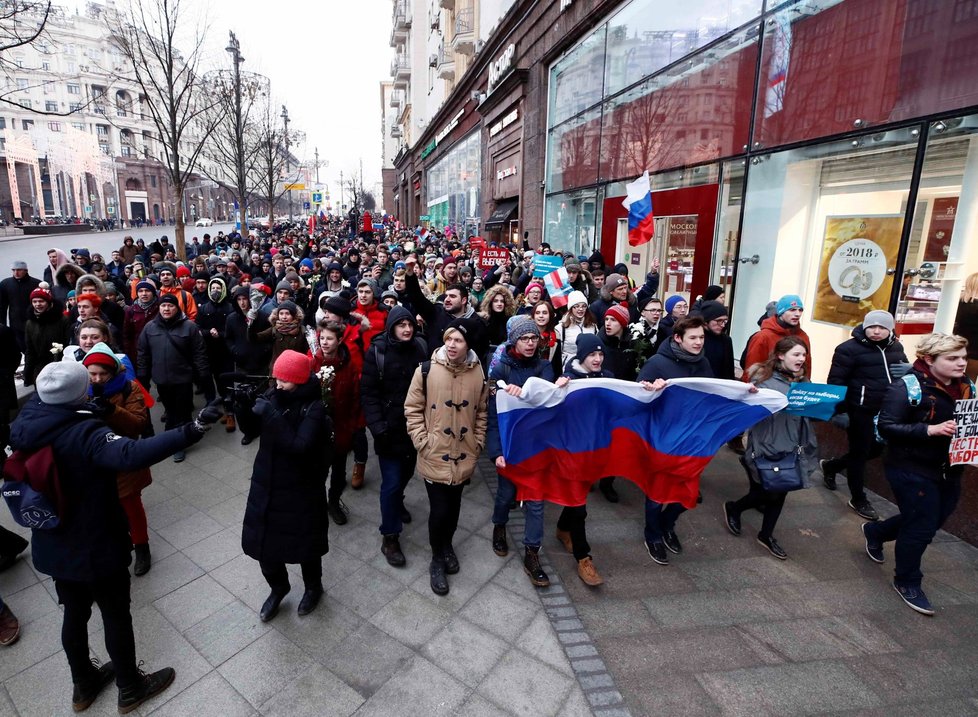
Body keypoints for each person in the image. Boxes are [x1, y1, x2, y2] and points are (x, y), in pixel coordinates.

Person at [9, 361, 216, 713]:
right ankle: (130, 686)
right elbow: (130, 453)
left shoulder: (28, 421)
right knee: (115, 614)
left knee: (73, 613)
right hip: (95, 542)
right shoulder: (83, 432)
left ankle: (83, 685)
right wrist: (191, 429)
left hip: (54, 542)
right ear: (79, 391)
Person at [866, 333, 974, 616]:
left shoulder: (967, 386)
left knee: (931, 518)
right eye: (952, 358)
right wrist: (929, 430)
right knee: (922, 527)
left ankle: (875, 531)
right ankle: (907, 581)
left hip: (951, 469)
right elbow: (887, 426)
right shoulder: (907, 387)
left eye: (963, 357)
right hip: (910, 467)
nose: (961, 363)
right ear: (929, 360)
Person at [236, 350, 332, 621]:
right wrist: (242, 407)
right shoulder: (272, 395)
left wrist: (272, 416)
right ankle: (278, 588)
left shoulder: (314, 407)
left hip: (301, 489)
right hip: (267, 485)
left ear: (299, 381)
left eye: (284, 380)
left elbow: (299, 446)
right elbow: (251, 430)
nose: (277, 384)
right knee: (264, 545)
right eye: (276, 378)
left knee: (306, 545)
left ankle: (314, 587)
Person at [404, 318, 488, 596]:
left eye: (458, 340)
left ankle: (447, 545)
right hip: (435, 453)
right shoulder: (426, 370)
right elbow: (413, 408)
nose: (452, 345)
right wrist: (422, 441)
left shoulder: (478, 372)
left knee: (454, 509)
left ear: (468, 345)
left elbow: (481, 412)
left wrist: (477, 442)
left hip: (464, 454)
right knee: (439, 511)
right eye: (448, 339)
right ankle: (437, 558)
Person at [723, 337, 817, 560]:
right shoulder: (763, 379)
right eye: (796, 354)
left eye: (803, 355)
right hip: (767, 442)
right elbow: (746, 409)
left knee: (781, 490)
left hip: (794, 443)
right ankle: (734, 508)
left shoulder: (803, 381)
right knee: (766, 490)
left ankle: (766, 534)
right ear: (781, 355)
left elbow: (810, 413)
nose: (801, 359)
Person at [636, 316, 714, 565]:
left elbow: (713, 392)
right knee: (657, 492)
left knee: (687, 491)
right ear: (678, 338)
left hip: (692, 438)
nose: (699, 342)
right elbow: (638, 394)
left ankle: (667, 525)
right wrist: (651, 389)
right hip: (663, 437)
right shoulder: (658, 363)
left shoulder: (703, 363)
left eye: (701, 337)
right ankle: (653, 535)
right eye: (693, 337)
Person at [486, 316, 556, 587]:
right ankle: (499, 526)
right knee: (506, 495)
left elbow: (544, 399)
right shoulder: (499, 372)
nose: (530, 343)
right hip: (511, 446)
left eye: (534, 338)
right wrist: (496, 452)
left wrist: (524, 393)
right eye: (525, 338)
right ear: (513, 341)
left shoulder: (545, 367)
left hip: (536, 447)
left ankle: (531, 553)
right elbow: (493, 415)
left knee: (537, 504)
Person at [821, 310, 908, 521]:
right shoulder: (847, 349)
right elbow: (836, 382)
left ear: (890, 329)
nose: (876, 331)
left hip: (887, 411)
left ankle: (831, 466)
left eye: (882, 327)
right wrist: (839, 411)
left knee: (875, 450)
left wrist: (911, 369)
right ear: (865, 326)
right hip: (859, 410)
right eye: (872, 326)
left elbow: (902, 375)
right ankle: (858, 498)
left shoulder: (896, 347)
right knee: (859, 453)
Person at [360, 306, 429, 567]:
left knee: (406, 474)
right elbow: (368, 393)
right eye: (401, 325)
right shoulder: (377, 352)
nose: (407, 329)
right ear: (391, 327)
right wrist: (378, 427)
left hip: (415, 429)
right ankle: (390, 536)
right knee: (390, 483)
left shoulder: (421, 348)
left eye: (409, 324)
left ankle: (397, 503)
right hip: (388, 429)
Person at [82, 342, 157, 576]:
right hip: (94, 463)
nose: (96, 379)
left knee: (131, 506)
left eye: (102, 374)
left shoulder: (129, 388)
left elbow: (138, 423)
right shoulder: (80, 390)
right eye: (92, 374)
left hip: (123, 457)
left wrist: (111, 411)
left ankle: (142, 547)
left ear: (113, 372)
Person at [556, 333, 609, 585]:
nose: (597, 359)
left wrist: (649, 389)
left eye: (600, 354)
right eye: (592, 355)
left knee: (579, 495)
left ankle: (563, 529)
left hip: (595, 449)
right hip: (572, 450)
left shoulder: (608, 379)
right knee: (579, 504)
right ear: (581, 357)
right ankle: (583, 557)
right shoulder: (569, 380)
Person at [136, 294, 209, 463]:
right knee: (170, 410)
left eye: (170, 306)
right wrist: (143, 376)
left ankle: (180, 442)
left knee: (183, 411)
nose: (166, 309)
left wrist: (203, 374)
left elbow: (199, 352)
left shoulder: (189, 327)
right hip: (161, 379)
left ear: (177, 308)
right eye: (163, 306)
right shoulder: (150, 328)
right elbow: (143, 353)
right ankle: (173, 436)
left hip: (183, 378)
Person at [310, 320, 364, 526]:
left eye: (329, 338)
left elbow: (355, 399)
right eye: (322, 338)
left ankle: (333, 502)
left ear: (339, 340)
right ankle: (317, 504)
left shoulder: (348, 366)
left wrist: (351, 427)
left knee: (339, 472)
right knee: (317, 471)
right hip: (318, 431)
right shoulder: (313, 363)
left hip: (341, 429)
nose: (324, 342)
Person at [741, 294, 811, 379]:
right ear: (781, 312)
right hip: (767, 388)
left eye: (800, 310)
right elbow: (751, 371)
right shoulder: (762, 337)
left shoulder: (803, 336)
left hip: (794, 389)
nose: (798, 314)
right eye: (792, 310)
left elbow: (807, 367)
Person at [24, 283, 72, 386]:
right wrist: (28, 372)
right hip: (39, 368)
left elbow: (68, 344)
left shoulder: (62, 320)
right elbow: (30, 350)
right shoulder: (30, 323)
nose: (37, 304)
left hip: (59, 366)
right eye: (34, 301)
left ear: (49, 302)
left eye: (41, 301)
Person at [557, 291, 599, 368]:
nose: (580, 309)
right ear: (571, 308)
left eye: (584, 306)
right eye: (576, 306)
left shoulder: (593, 326)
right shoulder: (561, 327)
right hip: (568, 367)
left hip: (588, 367)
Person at [697, 300, 735, 380]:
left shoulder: (726, 340)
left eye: (725, 321)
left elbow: (729, 371)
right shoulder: (696, 339)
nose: (723, 325)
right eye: (719, 321)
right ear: (705, 321)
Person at [953, 272, 978, 381]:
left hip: (959, 343)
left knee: (958, 377)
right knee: (970, 379)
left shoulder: (958, 302)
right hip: (976, 347)